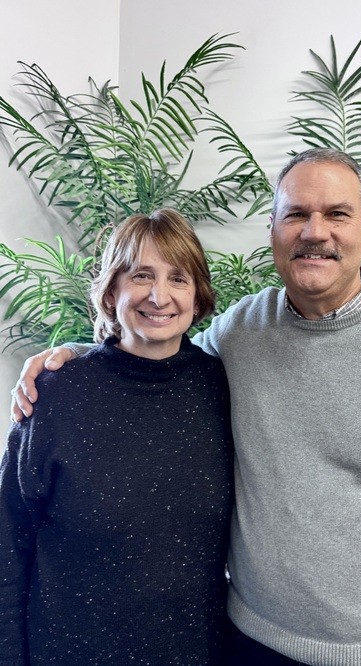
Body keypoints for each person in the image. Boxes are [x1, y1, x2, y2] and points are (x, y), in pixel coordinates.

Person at [10, 149, 361, 666]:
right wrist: (79, 362)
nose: (315, 231)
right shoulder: (243, 331)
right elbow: (159, 356)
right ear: (272, 231)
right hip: (248, 643)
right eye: (296, 214)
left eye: (337, 213)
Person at [1, 209, 234, 665]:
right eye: (141, 275)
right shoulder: (54, 394)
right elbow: (9, 541)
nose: (159, 296)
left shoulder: (222, 389)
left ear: (198, 296)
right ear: (111, 292)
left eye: (178, 278)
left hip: (196, 653)